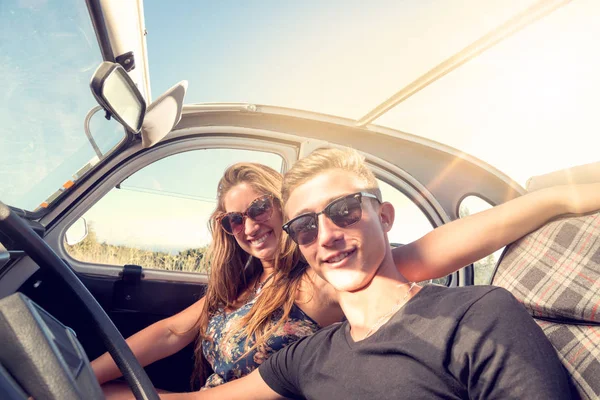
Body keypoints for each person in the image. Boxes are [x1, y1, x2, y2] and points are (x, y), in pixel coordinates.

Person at [164, 147, 600, 400]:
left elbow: (447, 244)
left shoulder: (476, 319)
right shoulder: (308, 356)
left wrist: (558, 199)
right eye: (307, 226)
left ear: (385, 217)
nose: (328, 234)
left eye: (345, 211)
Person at [93, 162, 462, 398]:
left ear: (285, 207)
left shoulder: (321, 275)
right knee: (90, 390)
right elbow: (170, 333)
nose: (249, 227)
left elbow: (427, 253)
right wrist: (89, 374)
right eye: (235, 220)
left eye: (259, 209)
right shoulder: (243, 282)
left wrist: (522, 209)